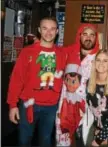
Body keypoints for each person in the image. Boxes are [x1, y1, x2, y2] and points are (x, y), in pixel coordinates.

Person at [7, 17, 66, 147]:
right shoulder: (27, 52)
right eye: (45, 28)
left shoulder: (62, 53)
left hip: (51, 107)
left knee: (45, 142)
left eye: (52, 29)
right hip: (29, 104)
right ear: (39, 30)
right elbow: (16, 79)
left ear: (57, 31)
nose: (48, 32)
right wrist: (12, 105)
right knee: (24, 141)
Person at [55, 24, 100, 146]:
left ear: (96, 38)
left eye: (92, 35)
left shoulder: (99, 58)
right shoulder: (68, 52)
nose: (88, 38)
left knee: (84, 141)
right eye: (85, 34)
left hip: (87, 108)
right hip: (65, 106)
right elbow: (51, 51)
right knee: (63, 141)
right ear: (79, 36)